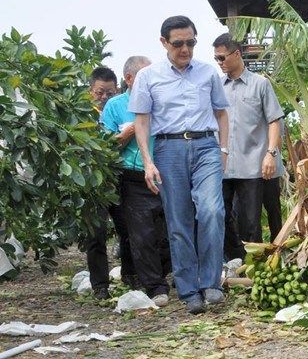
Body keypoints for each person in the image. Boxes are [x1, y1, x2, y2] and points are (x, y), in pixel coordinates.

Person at [128, 16, 229, 314]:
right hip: (168, 149)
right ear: (164, 43)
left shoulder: (208, 73)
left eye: (191, 43)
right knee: (178, 220)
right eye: (178, 43)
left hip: (206, 146)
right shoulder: (148, 77)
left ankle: (211, 283)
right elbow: (142, 121)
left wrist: (223, 149)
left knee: (212, 210)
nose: (185, 49)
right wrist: (147, 161)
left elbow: (221, 113)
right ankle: (188, 290)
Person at [100, 56, 172, 307]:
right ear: (129, 79)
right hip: (132, 176)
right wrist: (129, 131)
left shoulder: (162, 100)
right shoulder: (115, 106)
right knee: (141, 234)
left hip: (167, 173)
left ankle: (166, 274)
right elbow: (106, 147)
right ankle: (155, 286)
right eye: (144, 75)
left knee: (169, 230)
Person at [212, 33, 284, 259]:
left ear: (236, 54)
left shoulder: (260, 84)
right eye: (216, 59)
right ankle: (233, 262)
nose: (220, 63)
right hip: (222, 166)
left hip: (253, 165)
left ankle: (256, 267)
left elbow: (274, 120)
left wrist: (271, 154)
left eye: (222, 58)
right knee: (221, 216)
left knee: (251, 221)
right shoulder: (215, 87)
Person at [87, 67, 137, 300]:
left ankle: (130, 274)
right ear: (90, 92)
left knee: (126, 228)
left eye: (109, 92)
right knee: (95, 234)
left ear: (117, 89)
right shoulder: (82, 116)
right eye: (100, 92)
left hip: (118, 177)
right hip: (93, 182)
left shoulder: (119, 108)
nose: (104, 97)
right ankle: (99, 284)